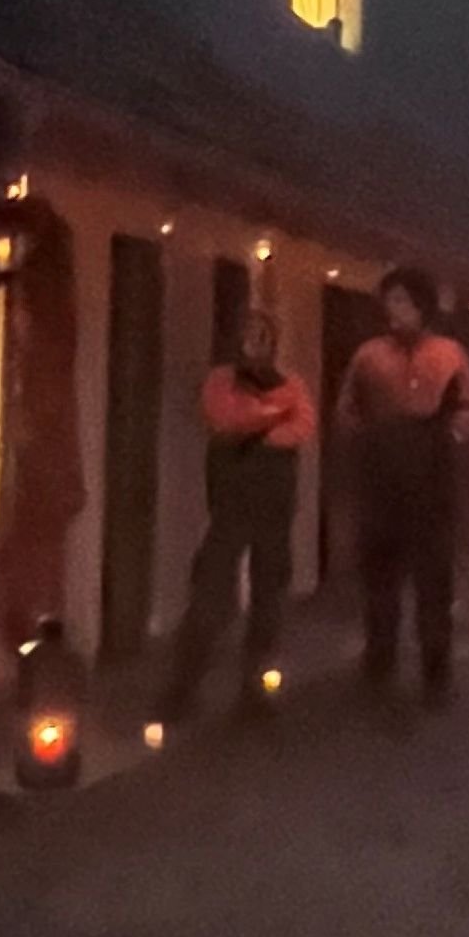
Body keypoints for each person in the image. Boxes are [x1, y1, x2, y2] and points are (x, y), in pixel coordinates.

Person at [154, 309, 316, 721]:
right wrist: (272, 416)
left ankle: (256, 691)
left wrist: (268, 427)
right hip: (230, 508)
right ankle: (184, 688)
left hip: (275, 509)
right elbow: (227, 419)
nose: (256, 343)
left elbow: (303, 425)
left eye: (263, 336)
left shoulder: (292, 383)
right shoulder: (220, 381)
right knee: (209, 595)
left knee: (269, 601)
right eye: (249, 335)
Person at [335, 265, 469, 706]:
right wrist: (369, 438)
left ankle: (436, 678)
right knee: (381, 583)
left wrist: (445, 434)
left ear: (421, 305)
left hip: (432, 481)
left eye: (402, 300)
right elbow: (345, 410)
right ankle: (378, 672)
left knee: (433, 586)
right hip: (382, 478)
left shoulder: (449, 354)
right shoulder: (368, 356)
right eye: (389, 300)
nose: (393, 309)